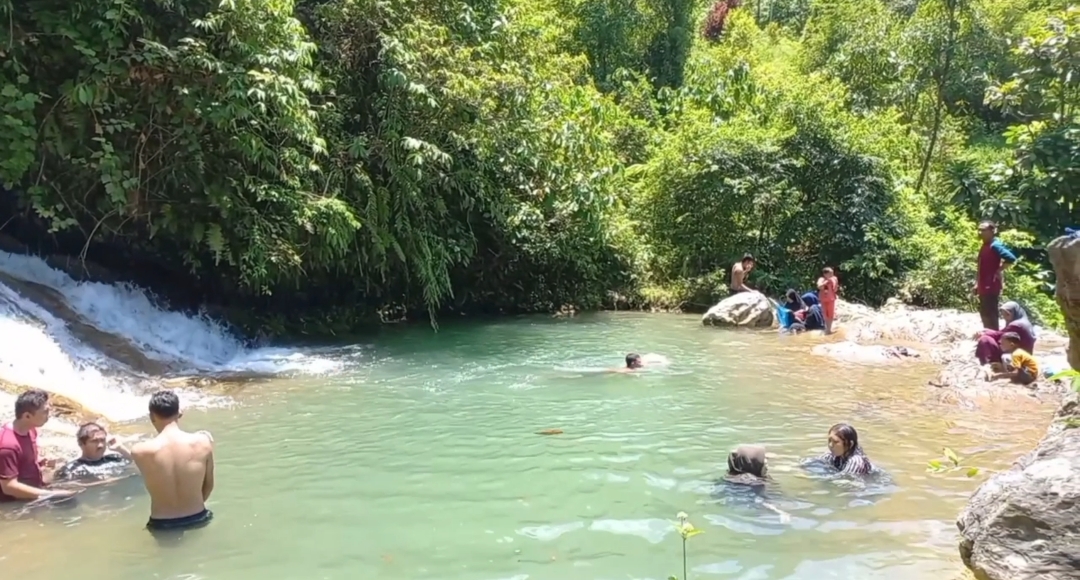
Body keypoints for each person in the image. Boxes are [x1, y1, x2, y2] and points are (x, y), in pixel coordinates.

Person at [131, 390, 215, 533]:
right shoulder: (203, 443)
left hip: (162, 524)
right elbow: (209, 485)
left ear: (152, 416)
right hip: (198, 517)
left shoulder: (140, 451)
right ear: (179, 412)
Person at [0, 389, 78, 502]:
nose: (48, 415)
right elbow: (9, 487)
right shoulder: (7, 446)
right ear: (27, 416)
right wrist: (51, 494)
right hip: (15, 503)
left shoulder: (31, 430)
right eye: (45, 412)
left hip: (33, 491)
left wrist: (40, 461)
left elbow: (23, 458)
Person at [719, 445, 790, 523]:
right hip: (757, 514)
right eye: (763, 461)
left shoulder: (729, 477)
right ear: (755, 465)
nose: (766, 463)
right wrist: (779, 512)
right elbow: (758, 499)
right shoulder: (753, 482)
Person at [973, 221, 1018, 331]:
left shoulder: (995, 245)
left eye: (984, 230)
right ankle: (988, 335)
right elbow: (980, 266)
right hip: (983, 284)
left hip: (991, 284)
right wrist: (976, 283)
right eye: (979, 230)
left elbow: (1011, 258)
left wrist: (999, 269)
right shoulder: (985, 245)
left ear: (992, 231)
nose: (980, 232)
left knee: (990, 312)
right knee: (984, 311)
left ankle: (993, 336)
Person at [53, 422, 133, 483]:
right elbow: (63, 487)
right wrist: (101, 482)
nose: (100, 445)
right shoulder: (71, 470)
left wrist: (121, 449)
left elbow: (138, 466)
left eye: (102, 440)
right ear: (81, 444)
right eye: (94, 441)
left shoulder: (114, 458)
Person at [974, 301, 1036, 366]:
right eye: (1003, 315)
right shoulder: (1023, 322)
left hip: (1017, 356)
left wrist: (984, 333)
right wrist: (986, 331)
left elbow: (1000, 335)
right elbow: (1002, 332)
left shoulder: (1017, 325)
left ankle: (990, 364)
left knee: (985, 339)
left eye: (1007, 314)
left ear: (1014, 313)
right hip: (1023, 353)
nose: (1005, 317)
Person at [817, 267, 839, 334]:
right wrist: (826, 282)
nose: (832, 274)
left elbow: (835, 289)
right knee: (825, 313)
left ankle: (829, 328)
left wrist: (834, 283)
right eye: (830, 273)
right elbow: (819, 286)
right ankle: (827, 328)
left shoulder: (834, 279)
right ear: (825, 274)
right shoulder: (821, 279)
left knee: (831, 313)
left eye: (832, 273)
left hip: (831, 298)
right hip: (823, 298)